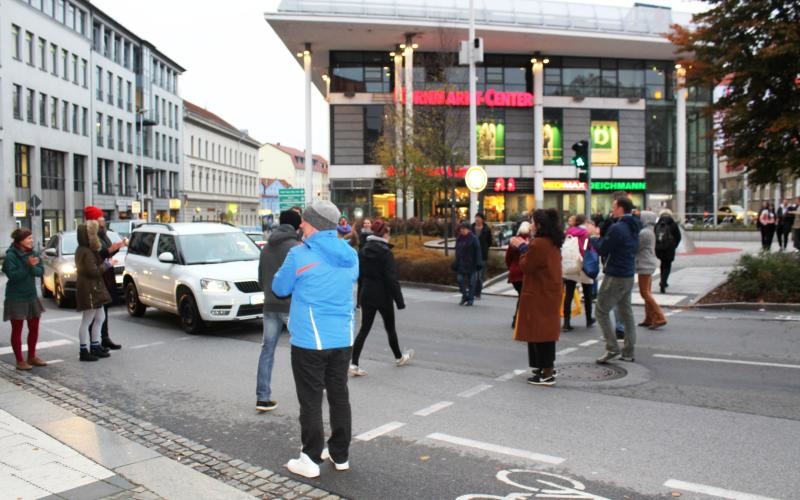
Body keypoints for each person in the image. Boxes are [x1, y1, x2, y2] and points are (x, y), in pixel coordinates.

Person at [272, 200, 359, 479]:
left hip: (310, 341)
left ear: (314, 224)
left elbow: (279, 287)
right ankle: (340, 453)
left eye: (304, 222)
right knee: (339, 395)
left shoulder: (299, 256)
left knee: (310, 400)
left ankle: (310, 458)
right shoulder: (350, 255)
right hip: (342, 339)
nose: (301, 226)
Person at [350, 220, 413, 376]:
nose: (389, 236)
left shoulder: (363, 250)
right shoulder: (386, 253)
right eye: (388, 233)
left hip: (367, 293)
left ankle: (354, 363)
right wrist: (400, 301)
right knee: (390, 328)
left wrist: (359, 299)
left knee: (364, 329)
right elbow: (391, 278)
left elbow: (360, 277)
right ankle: (398, 357)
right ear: (384, 234)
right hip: (383, 295)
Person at [509, 209, 564, 386]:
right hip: (548, 291)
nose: (531, 225)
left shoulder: (539, 243)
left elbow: (527, 265)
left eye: (533, 222)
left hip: (540, 292)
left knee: (541, 332)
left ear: (539, 225)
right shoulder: (552, 241)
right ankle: (543, 367)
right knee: (542, 331)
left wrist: (522, 247)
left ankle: (546, 371)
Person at [255, 209, 302, 412]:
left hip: (269, 306)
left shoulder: (266, 248)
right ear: (295, 226)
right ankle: (311, 389)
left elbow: (260, 279)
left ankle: (263, 397)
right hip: (290, 306)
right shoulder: (295, 248)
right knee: (302, 349)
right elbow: (300, 280)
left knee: (267, 351)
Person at [589, 197, 640, 364]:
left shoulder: (618, 228)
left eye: (613, 207)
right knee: (626, 312)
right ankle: (628, 350)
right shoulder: (634, 225)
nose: (612, 210)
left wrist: (593, 237)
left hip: (616, 274)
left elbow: (604, 248)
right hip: (628, 273)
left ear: (620, 209)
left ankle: (612, 348)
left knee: (601, 310)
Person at [2, 228, 46, 371]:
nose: (32, 240)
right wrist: (28, 266)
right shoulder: (11, 256)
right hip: (16, 297)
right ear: (20, 241)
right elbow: (13, 277)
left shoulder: (33, 253)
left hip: (31, 295)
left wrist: (32, 267)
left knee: (34, 328)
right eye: (28, 238)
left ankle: (32, 356)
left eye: (32, 238)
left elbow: (40, 271)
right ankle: (20, 360)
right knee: (17, 330)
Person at [83, 206, 126, 350]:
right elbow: (96, 255)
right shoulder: (91, 235)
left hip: (106, 273)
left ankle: (104, 338)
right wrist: (111, 250)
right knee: (95, 312)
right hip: (98, 275)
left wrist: (116, 247)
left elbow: (106, 252)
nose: (103, 219)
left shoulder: (102, 233)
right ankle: (94, 341)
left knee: (103, 309)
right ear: (94, 219)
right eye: (100, 217)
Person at [75, 220, 113, 362]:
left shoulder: (86, 250)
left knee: (99, 317)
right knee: (87, 320)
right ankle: (84, 350)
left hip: (93, 288)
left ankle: (95, 345)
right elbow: (93, 271)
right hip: (89, 289)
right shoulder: (85, 251)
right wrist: (107, 264)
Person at [562, 214, 595, 331]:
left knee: (569, 294)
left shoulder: (569, 231)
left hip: (571, 264)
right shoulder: (585, 233)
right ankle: (589, 319)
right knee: (587, 293)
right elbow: (586, 247)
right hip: (583, 263)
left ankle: (566, 322)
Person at [636, 211, 667, 330]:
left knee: (644, 292)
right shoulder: (650, 231)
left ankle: (660, 317)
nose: (639, 219)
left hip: (644, 264)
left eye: (640, 217)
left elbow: (636, 247)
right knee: (647, 292)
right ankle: (649, 318)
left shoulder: (644, 233)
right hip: (648, 263)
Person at [505, 221, 530, 329]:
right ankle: (517, 319)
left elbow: (507, 258)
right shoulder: (530, 241)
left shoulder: (513, 241)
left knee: (522, 296)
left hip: (514, 273)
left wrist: (511, 268)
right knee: (523, 297)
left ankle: (518, 319)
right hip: (523, 273)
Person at [452, 222, 482, 306]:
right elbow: (457, 251)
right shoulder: (459, 239)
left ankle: (470, 299)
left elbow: (478, 251)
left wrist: (478, 262)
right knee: (460, 280)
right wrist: (456, 261)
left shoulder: (473, 238)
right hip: (461, 263)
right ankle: (465, 296)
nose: (462, 230)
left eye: (464, 228)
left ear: (468, 229)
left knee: (472, 283)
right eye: (461, 229)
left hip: (471, 264)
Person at [654, 209, 682, 293]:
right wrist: (674, 246)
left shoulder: (657, 224)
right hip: (669, 248)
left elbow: (654, 235)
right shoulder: (673, 224)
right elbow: (678, 237)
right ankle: (663, 282)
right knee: (667, 264)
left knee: (662, 263)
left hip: (659, 248)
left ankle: (663, 281)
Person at [471, 213, 493, 299]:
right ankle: (472, 291)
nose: (477, 219)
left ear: (482, 220)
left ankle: (478, 292)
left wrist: (484, 249)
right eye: (476, 217)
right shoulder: (471, 228)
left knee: (479, 275)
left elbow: (489, 242)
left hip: (482, 255)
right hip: (471, 254)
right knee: (472, 274)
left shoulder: (486, 229)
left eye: (478, 218)